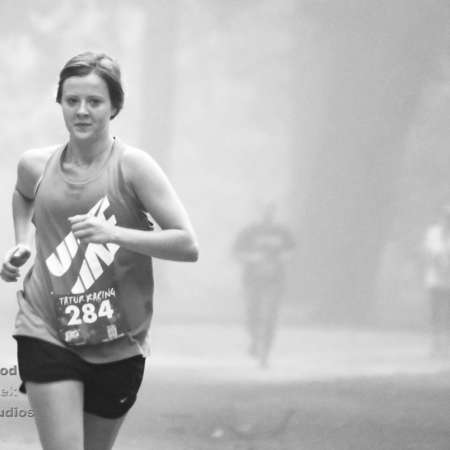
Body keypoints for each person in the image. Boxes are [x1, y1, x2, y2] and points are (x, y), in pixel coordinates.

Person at [0, 52, 199, 450]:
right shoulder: (36, 165)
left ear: (114, 106)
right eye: (72, 100)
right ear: (60, 102)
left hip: (118, 337)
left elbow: (186, 244)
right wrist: (22, 243)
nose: (82, 111)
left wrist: (114, 233)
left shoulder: (134, 168)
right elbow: (23, 197)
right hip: (45, 327)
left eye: (94, 101)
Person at [233, 203, 294, 368]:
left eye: (270, 212)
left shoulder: (282, 233)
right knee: (252, 312)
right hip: (252, 280)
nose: (267, 215)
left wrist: (281, 257)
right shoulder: (249, 232)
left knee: (270, 316)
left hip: (275, 281)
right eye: (264, 211)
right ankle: (255, 339)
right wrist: (253, 258)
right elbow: (237, 252)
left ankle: (265, 351)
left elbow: (292, 252)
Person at [423, 205, 450, 357]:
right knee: (435, 313)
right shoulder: (433, 233)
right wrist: (437, 262)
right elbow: (428, 252)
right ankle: (435, 345)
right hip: (434, 280)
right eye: (447, 217)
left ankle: (446, 346)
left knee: (448, 314)